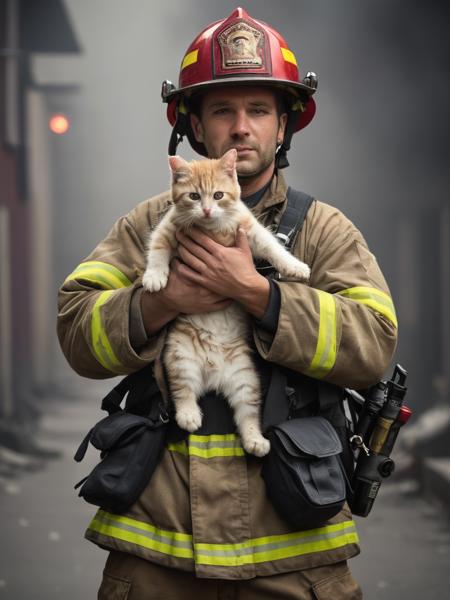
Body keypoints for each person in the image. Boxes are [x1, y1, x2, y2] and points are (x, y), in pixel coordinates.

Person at [57, 7, 397, 599]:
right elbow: (76, 327)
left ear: (284, 125)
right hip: (157, 552)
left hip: (294, 560)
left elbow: (373, 344)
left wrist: (259, 294)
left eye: (259, 109)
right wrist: (161, 304)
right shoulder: (146, 227)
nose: (241, 127)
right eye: (222, 109)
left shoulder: (324, 231)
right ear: (194, 126)